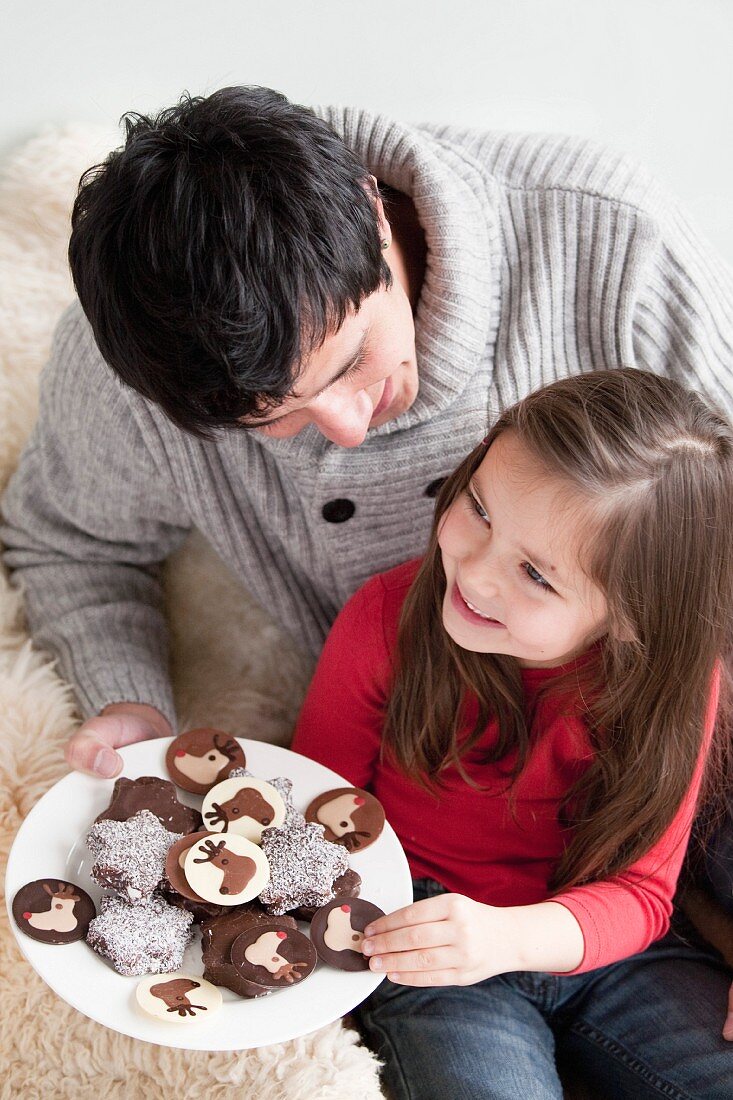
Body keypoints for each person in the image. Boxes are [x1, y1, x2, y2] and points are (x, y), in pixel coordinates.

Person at [2, 85, 733, 1034]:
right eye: (275, 420)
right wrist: (135, 705)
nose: (344, 429)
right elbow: (68, 544)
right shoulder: (127, 373)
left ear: (369, 211)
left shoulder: (607, 236)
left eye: (352, 359)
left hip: (654, 726)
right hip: (417, 786)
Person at [292, 368, 733, 1099]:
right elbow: (311, 817)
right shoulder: (383, 621)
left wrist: (513, 936)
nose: (477, 571)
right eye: (479, 510)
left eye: (535, 573)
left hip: (602, 942)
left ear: (631, 616)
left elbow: (642, 893)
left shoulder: (678, 687)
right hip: (429, 940)